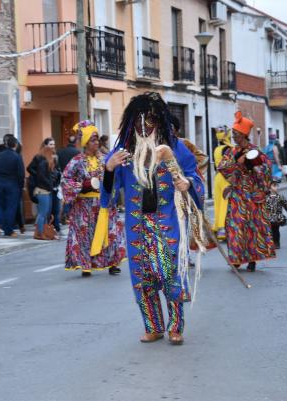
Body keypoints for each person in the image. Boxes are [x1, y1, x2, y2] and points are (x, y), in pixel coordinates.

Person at [96, 92, 204, 345]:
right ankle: (153, 326)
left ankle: (175, 326)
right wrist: (109, 169)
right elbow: (109, 195)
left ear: (160, 122)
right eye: (138, 122)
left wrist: (187, 183)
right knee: (142, 278)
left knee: (170, 275)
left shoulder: (176, 148)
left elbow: (194, 178)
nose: (143, 127)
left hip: (168, 223)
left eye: (150, 122)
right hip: (137, 227)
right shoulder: (122, 153)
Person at [61, 120, 126, 277]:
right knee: (84, 235)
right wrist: (82, 186)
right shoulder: (76, 161)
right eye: (92, 140)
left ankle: (113, 263)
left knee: (110, 233)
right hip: (84, 205)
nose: (96, 143)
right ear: (85, 142)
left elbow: (117, 177)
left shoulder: (106, 159)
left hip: (104, 203)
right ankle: (85, 265)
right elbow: (65, 180)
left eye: (97, 140)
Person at [218, 111, 275, 272]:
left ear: (244, 134)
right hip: (237, 195)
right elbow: (222, 167)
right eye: (233, 133)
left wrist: (253, 166)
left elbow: (266, 169)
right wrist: (236, 163)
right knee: (235, 226)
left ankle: (252, 260)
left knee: (253, 228)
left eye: (236, 134)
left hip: (253, 195)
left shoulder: (256, 151)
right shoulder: (232, 151)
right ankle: (236, 259)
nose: (234, 136)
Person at [27, 138, 61, 240]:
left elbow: (51, 173)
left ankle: (43, 232)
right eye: (51, 145)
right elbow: (41, 176)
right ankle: (40, 233)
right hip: (43, 190)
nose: (53, 148)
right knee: (42, 213)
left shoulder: (48, 161)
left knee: (45, 213)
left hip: (47, 189)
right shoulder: (42, 162)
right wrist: (50, 185)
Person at [0, 135, 24, 237]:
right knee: (11, 207)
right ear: (15, 144)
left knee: (1, 205)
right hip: (13, 184)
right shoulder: (17, 156)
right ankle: (9, 230)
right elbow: (21, 174)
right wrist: (21, 186)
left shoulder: (0, 155)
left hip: (0, 182)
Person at [212, 127, 232, 240]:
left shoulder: (217, 149)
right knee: (226, 203)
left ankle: (218, 228)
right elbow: (229, 165)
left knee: (218, 203)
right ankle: (223, 229)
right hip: (226, 177)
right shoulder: (228, 149)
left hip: (217, 177)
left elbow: (216, 166)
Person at [57, 135, 81, 224]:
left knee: (62, 196)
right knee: (71, 196)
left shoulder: (60, 152)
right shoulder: (77, 153)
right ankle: (67, 213)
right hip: (73, 177)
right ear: (75, 142)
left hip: (61, 176)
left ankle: (62, 214)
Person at [265, 181, 287, 249]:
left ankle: (277, 243)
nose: (276, 187)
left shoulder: (280, 197)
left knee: (276, 230)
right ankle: (269, 243)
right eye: (274, 186)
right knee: (268, 231)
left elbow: (286, 205)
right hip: (268, 217)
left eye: (277, 186)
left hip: (277, 217)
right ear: (269, 188)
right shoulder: (266, 197)